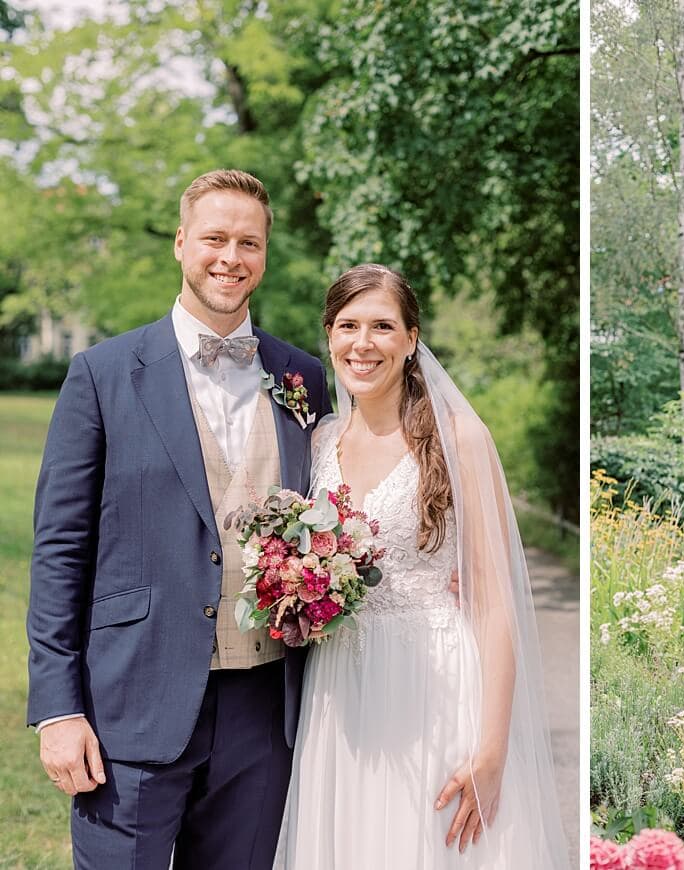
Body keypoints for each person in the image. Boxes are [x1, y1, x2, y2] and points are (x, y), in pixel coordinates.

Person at [26, 169, 331, 869]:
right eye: (215, 239)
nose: (231, 257)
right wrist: (59, 709)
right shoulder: (102, 374)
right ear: (180, 243)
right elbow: (60, 551)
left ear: (264, 254)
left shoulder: (302, 377)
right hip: (131, 704)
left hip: (264, 706)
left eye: (248, 242)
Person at [274, 264, 568, 867]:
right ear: (329, 335)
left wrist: (492, 748)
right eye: (348, 325)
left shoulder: (459, 439)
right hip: (339, 693)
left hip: (431, 683)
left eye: (383, 326)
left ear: (411, 339)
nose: (363, 343)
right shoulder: (320, 440)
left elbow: (494, 605)